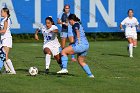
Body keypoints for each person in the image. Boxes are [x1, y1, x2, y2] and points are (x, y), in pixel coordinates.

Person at [0, 8, 16, 74]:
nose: (0, 13)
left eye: (1, 12)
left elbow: (4, 31)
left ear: (5, 13)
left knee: (5, 56)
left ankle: (13, 71)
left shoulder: (6, 20)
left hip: (7, 39)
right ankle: (7, 70)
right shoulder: (3, 20)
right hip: (3, 39)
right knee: (2, 55)